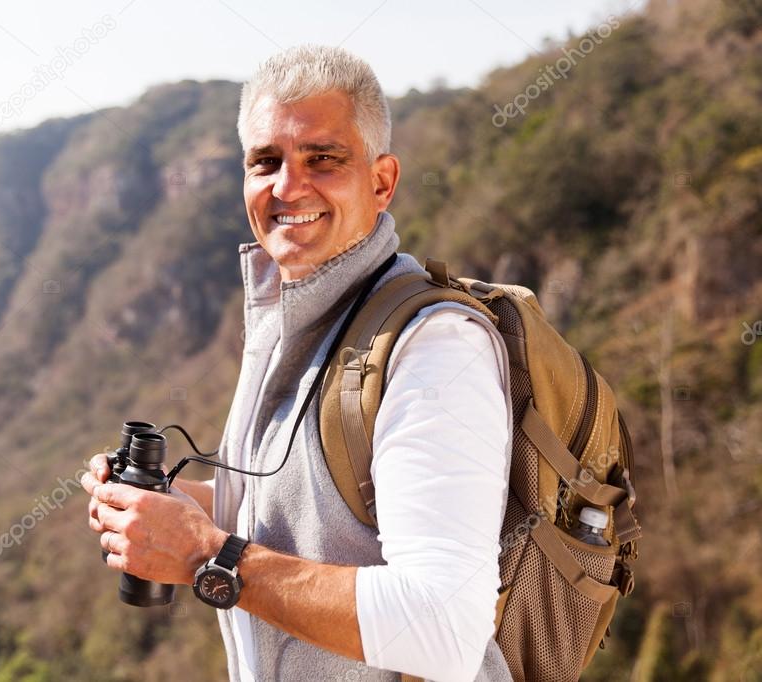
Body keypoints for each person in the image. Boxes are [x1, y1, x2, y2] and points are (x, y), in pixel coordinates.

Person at [81, 45, 514, 681]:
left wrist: (207, 555)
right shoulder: (284, 323)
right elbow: (306, 513)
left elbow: (444, 628)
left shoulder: (434, 348)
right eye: (266, 161)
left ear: (381, 180)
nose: (288, 186)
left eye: (323, 158)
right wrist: (173, 507)